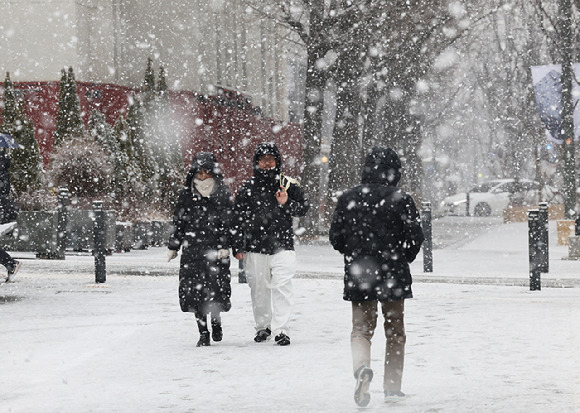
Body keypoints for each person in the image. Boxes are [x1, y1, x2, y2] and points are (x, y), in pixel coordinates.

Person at [329, 147, 424, 407]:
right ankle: (392, 387)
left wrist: (355, 254)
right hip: (393, 273)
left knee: (361, 329)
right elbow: (416, 237)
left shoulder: (348, 198)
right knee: (395, 331)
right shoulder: (401, 198)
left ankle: (362, 369)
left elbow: (335, 237)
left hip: (361, 273)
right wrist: (403, 257)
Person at [232, 142, 309, 346]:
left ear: (277, 162)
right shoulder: (248, 188)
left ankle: (281, 329)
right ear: (257, 163)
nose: (267, 164)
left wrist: (287, 202)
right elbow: (237, 218)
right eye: (263, 160)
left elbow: (303, 208)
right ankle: (262, 326)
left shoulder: (287, 185)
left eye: (271, 160)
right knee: (259, 289)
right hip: (255, 247)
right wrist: (238, 245)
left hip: (282, 245)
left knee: (282, 286)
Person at [167, 152, 234, 347]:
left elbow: (228, 222)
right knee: (194, 294)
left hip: (215, 251)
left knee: (215, 291)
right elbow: (178, 223)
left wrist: (223, 245)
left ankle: (216, 321)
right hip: (192, 250)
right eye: (200, 172)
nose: (203, 176)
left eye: (206, 172)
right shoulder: (187, 195)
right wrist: (174, 245)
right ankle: (203, 332)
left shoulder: (222, 194)